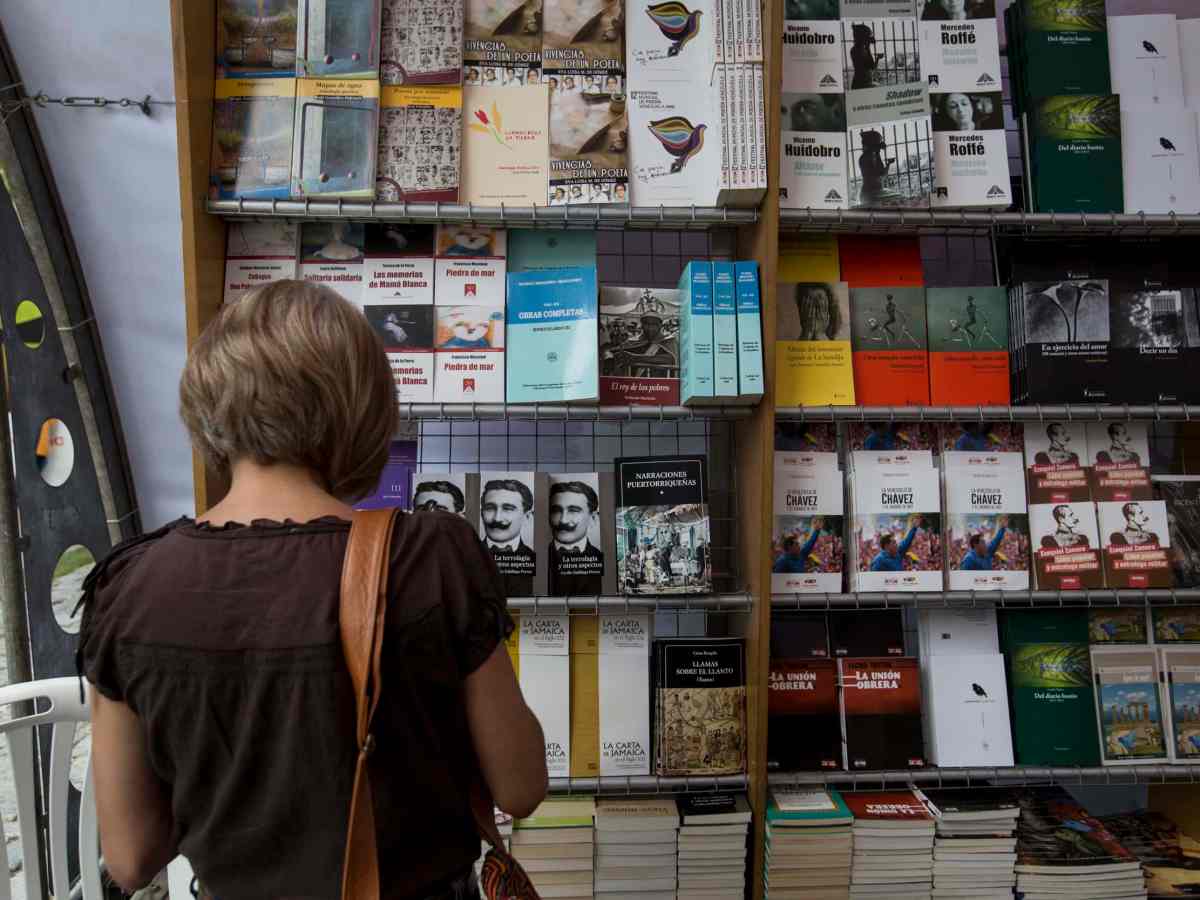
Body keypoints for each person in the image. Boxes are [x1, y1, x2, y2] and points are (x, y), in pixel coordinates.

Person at [80, 281, 547, 897]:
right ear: (361, 406)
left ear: (207, 400)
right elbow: (520, 787)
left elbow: (132, 853)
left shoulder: (130, 584)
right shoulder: (432, 557)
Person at [548, 480, 604, 595]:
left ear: (593, 519)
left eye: (573, 511)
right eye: (556, 511)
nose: (563, 520)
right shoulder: (539, 557)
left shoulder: (601, 558)